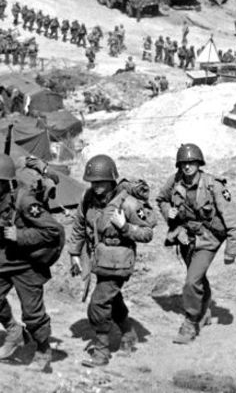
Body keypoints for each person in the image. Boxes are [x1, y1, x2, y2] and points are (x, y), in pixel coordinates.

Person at [0, 154, 64, 373]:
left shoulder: (25, 200)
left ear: (7, 181)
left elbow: (53, 231)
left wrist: (21, 235)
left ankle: (43, 350)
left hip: (26, 263)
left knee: (32, 315)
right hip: (1, 255)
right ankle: (14, 331)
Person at [68, 155, 155, 367]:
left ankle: (102, 351)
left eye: (101, 182)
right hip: (99, 259)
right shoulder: (88, 198)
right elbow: (80, 225)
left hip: (119, 262)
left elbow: (147, 233)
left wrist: (125, 227)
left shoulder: (128, 203)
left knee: (98, 304)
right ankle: (127, 333)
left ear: (111, 180)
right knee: (112, 299)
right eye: (93, 182)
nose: (97, 186)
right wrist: (74, 253)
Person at [156, 143, 236, 344]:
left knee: (191, 281)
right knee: (197, 276)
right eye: (183, 163)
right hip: (186, 236)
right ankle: (204, 311)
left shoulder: (213, 185)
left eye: (192, 163)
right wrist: (167, 211)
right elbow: (160, 199)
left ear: (199, 163)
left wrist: (232, 250)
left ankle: (190, 321)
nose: (187, 167)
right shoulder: (175, 181)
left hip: (208, 238)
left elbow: (234, 219)